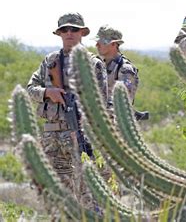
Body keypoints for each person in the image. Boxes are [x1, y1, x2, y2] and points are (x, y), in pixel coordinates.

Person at [27, 12, 108, 204]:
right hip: (51, 137)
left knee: (87, 193)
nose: (69, 33)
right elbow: (30, 88)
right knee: (56, 194)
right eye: (65, 29)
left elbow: (101, 104)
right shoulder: (50, 61)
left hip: (79, 135)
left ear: (82, 33)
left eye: (74, 29)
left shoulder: (93, 64)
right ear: (59, 33)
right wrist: (48, 92)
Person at [94, 25, 139, 107]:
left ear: (114, 44)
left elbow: (125, 103)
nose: (97, 45)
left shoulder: (125, 69)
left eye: (102, 42)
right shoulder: (100, 65)